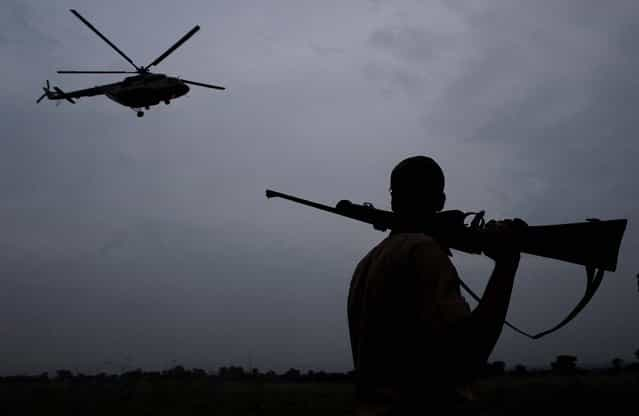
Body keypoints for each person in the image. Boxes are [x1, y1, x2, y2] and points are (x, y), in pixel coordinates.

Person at [347, 155, 525, 415]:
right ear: (441, 201)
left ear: (393, 199)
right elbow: (467, 357)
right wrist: (506, 264)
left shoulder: (365, 264)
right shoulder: (423, 250)